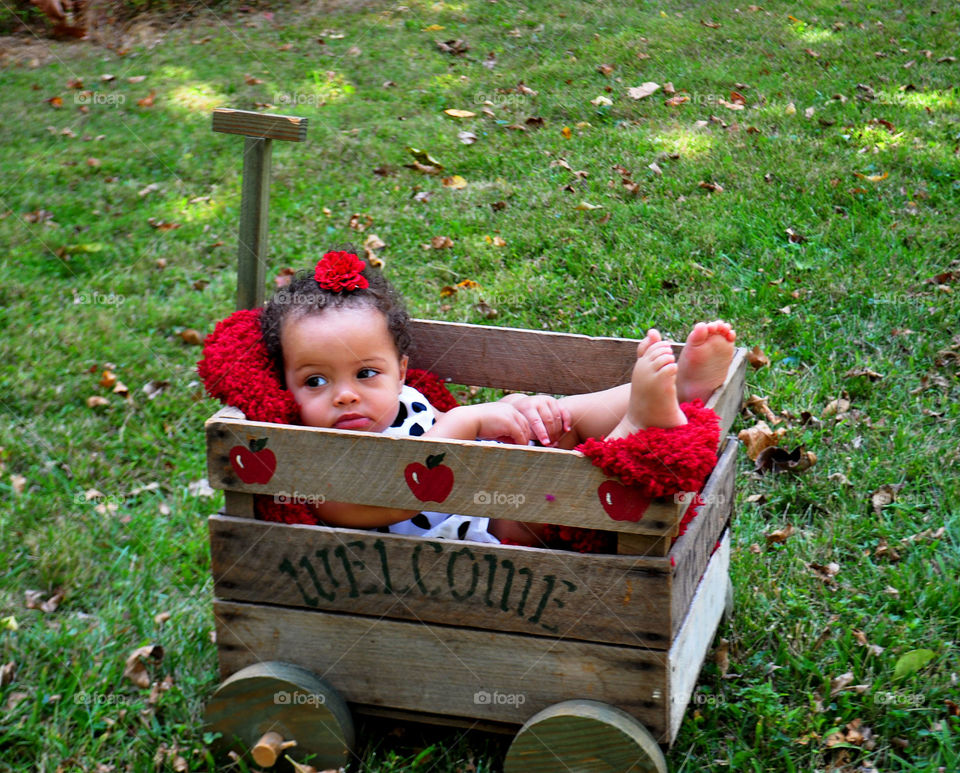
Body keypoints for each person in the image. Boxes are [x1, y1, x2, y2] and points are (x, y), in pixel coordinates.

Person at [259, 250, 736, 546]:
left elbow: (439, 426)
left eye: (365, 373)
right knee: (546, 502)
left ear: (400, 370)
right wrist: (468, 421)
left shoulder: (403, 400)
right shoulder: (313, 470)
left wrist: (513, 410)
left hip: (497, 478)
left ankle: (673, 393)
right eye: (316, 382)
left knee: (560, 418)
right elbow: (406, 495)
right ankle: (634, 430)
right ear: (286, 387)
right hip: (491, 529)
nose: (345, 396)